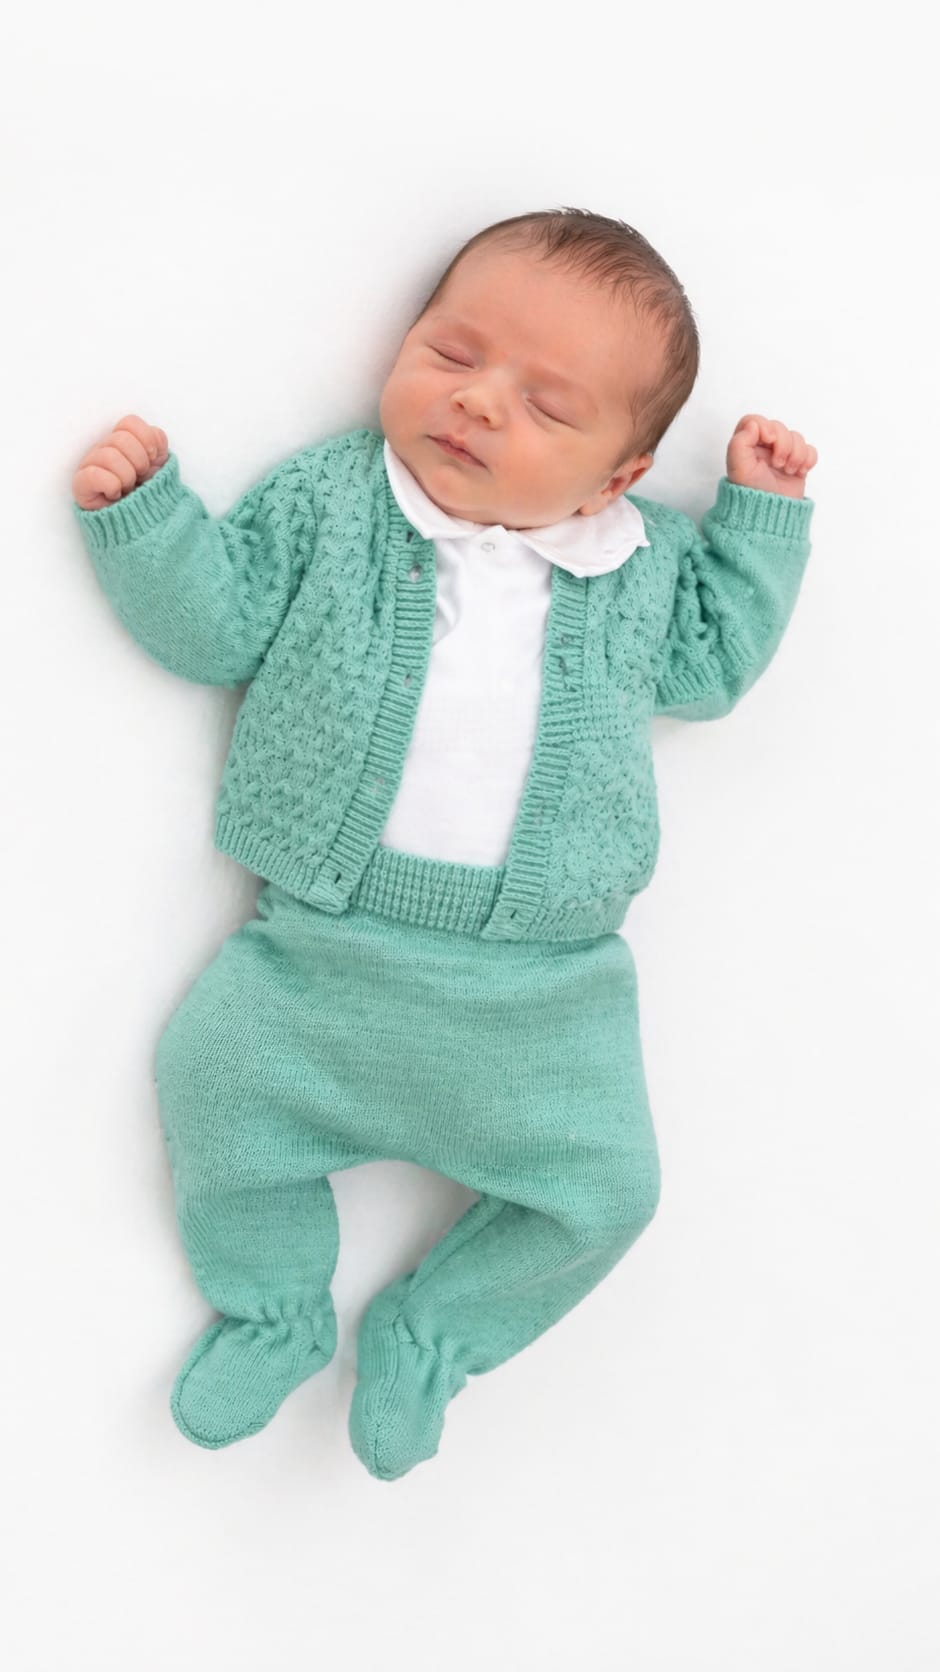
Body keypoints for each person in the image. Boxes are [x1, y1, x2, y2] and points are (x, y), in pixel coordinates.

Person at [70, 207, 817, 1481]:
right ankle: (274, 1308)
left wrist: (760, 516)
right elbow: (218, 624)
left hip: (541, 999)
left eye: (545, 405)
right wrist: (148, 520)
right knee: (208, 1078)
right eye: (453, 353)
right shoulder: (333, 500)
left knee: (609, 1196)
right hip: (316, 959)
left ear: (615, 479)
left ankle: (431, 1335)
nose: (476, 403)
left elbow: (711, 666)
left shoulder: (641, 564)